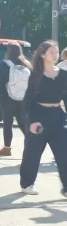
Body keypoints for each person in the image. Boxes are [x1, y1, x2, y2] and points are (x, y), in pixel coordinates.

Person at [18, 40, 67, 196]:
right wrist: (31, 121)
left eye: (56, 52)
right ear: (43, 54)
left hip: (58, 116)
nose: (55, 54)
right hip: (38, 115)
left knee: (63, 152)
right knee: (33, 152)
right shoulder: (35, 74)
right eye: (51, 52)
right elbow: (28, 100)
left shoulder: (63, 75)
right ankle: (27, 184)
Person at [0, 42, 31, 156]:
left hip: (7, 99)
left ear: (8, 51)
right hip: (23, 99)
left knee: (8, 123)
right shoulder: (27, 65)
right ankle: (32, 144)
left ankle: (7, 148)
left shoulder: (4, 64)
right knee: (22, 123)